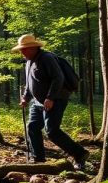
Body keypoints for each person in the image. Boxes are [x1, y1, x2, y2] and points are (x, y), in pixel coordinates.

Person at [13, 34, 89, 170]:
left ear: (34, 48)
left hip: (56, 99)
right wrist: (25, 97)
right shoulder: (29, 61)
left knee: (52, 131)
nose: (22, 52)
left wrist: (50, 98)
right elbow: (30, 84)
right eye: (21, 50)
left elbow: (58, 78)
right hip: (37, 102)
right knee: (33, 127)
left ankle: (80, 154)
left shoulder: (47, 58)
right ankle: (38, 159)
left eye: (24, 49)